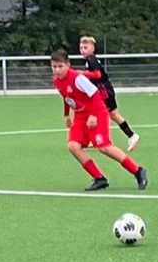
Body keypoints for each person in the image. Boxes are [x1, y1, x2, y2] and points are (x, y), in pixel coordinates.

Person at [51, 50, 148, 191]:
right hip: (80, 116)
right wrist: (66, 115)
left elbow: (96, 94)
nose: (57, 70)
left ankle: (138, 171)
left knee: (104, 147)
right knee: (73, 146)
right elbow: (67, 97)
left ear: (68, 65)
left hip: (97, 112)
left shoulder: (78, 78)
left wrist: (93, 115)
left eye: (60, 66)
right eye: (54, 67)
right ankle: (99, 178)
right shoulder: (56, 80)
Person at [78, 36, 139, 151]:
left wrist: (82, 73)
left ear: (92, 48)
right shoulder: (90, 60)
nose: (82, 50)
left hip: (104, 91)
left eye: (85, 47)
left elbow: (97, 75)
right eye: (81, 48)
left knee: (112, 114)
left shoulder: (92, 60)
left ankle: (132, 136)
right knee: (95, 112)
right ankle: (93, 139)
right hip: (101, 90)